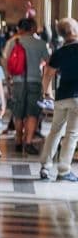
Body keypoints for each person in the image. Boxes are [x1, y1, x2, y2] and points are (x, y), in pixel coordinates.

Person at [3, 17, 50, 154]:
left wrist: (8, 79)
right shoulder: (41, 43)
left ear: (19, 28)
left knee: (18, 112)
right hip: (35, 81)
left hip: (17, 82)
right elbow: (48, 63)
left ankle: (18, 140)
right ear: (33, 28)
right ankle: (28, 142)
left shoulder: (13, 42)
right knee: (32, 113)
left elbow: (6, 61)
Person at [40, 18, 78, 181]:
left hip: (61, 97)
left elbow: (48, 74)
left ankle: (45, 166)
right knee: (72, 133)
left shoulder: (59, 52)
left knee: (55, 131)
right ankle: (63, 169)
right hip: (77, 97)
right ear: (74, 30)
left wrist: (47, 93)